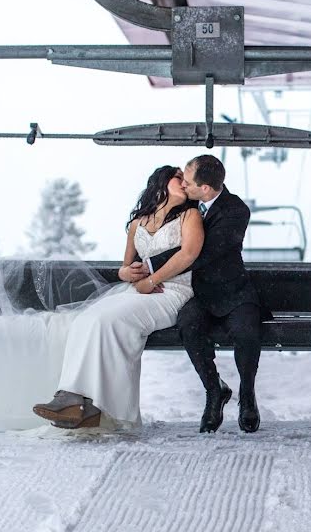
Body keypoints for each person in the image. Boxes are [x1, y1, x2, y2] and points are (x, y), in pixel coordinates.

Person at [33, 165, 202, 429]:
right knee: (87, 318)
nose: (184, 182)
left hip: (172, 291)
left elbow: (190, 254)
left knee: (109, 320)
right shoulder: (138, 223)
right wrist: (128, 273)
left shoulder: (190, 215)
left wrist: (151, 280)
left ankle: (102, 408)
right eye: (178, 177)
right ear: (161, 182)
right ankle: (74, 399)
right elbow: (125, 268)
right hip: (139, 290)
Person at [123, 155, 262, 433]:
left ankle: (247, 394)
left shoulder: (235, 211)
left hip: (232, 291)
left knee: (246, 330)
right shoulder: (187, 204)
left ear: (206, 189)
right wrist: (130, 269)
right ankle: (214, 390)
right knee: (189, 325)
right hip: (197, 293)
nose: (183, 185)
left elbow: (201, 252)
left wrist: (151, 270)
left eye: (187, 182)